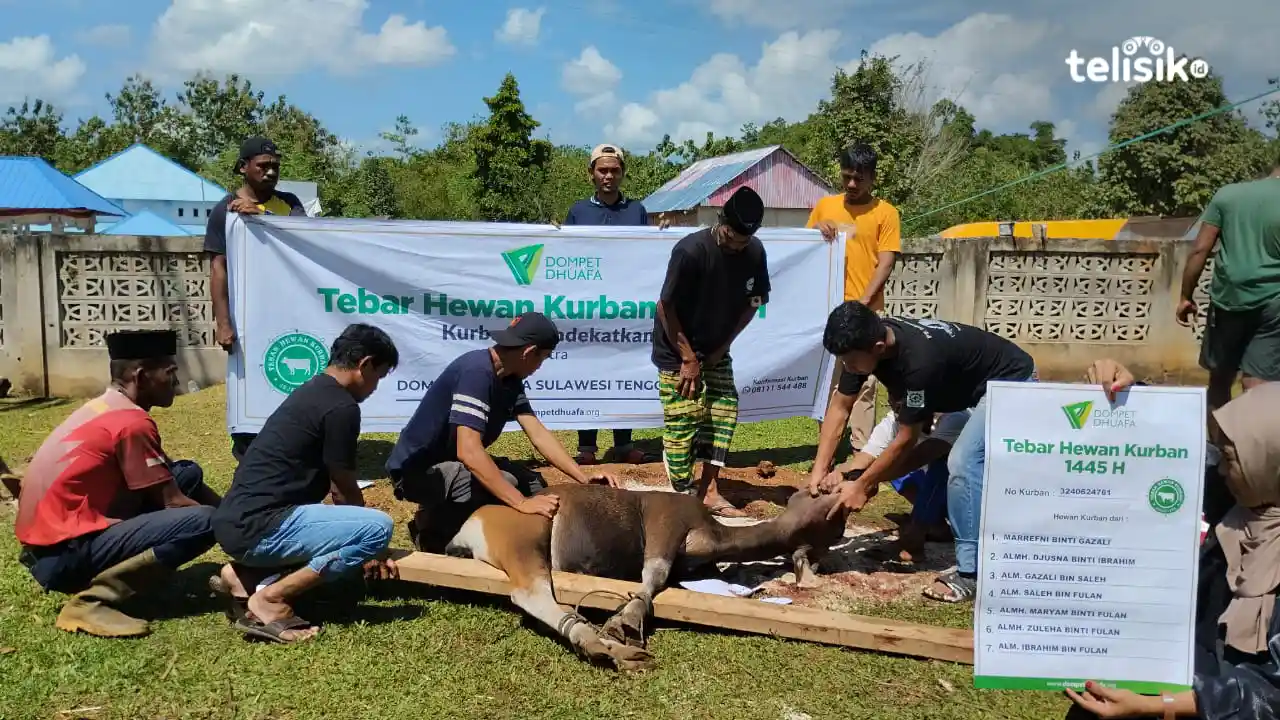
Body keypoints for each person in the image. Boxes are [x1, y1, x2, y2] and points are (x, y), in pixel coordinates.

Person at [1066, 375, 1280, 720]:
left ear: (1269, 460)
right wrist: (1125, 390)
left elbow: (1271, 694)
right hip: (1159, 672)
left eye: (1231, 458)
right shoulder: (1233, 501)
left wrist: (1158, 705)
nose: (1221, 469)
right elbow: (1174, 445)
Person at [811, 302, 1036, 604]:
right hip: (959, 393)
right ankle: (920, 532)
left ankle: (971, 574)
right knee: (895, 462)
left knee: (963, 461)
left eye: (850, 363)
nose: (847, 368)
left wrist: (864, 484)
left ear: (878, 347)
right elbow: (840, 409)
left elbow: (907, 445)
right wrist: (822, 471)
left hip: (1009, 382)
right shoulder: (863, 349)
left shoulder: (919, 365)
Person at [15, 330, 220, 638]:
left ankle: (139, 575)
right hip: (65, 555)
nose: (175, 381)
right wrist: (240, 526)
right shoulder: (131, 422)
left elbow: (168, 480)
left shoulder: (106, 407)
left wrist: (238, 512)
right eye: (170, 372)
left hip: (55, 545)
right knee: (206, 522)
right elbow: (173, 502)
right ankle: (92, 601)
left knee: (186, 473)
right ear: (141, 375)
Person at [211, 323, 400, 644]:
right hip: (261, 528)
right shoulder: (341, 407)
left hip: (236, 525)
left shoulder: (312, 390)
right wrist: (372, 546)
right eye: (378, 377)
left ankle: (243, 576)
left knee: (339, 526)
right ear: (364, 364)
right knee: (377, 527)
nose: (374, 388)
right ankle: (272, 599)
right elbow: (342, 487)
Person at [386, 312, 619, 552]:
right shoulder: (476, 373)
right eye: (544, 358)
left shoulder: (508, 377)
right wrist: (520, 503)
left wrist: (582, 478)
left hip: (451, 462)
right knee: (503, 485)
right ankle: (434, 535)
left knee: (533, 484)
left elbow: (537, 433)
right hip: (416, 472)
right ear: (529, 352)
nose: (539, 367)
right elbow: (468, 451)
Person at [653, 185, 770, 518]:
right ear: (721, 221)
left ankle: (709, 491)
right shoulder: (690, 251)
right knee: (683, 423)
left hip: (717, 350)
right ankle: (682, 493)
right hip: (677, 351)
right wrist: (688, 358)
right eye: (731, 238)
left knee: (723, 414)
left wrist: (723, 346)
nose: (735, 247)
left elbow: (754, 302)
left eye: (742, 242)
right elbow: (666, 307)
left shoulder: (754, 252)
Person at [204, 136, 308, 462]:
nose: (271, 172)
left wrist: (260, 214)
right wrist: (223, 322)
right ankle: (248, 450)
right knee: (248, 381)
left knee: (289, 381)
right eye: (263, 166)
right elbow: (217, 267)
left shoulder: (289, 204)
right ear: (243, 168)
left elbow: (305, 239)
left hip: (286, 313)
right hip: (246, 316)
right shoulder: (226, 210)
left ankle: (293, 443)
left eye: (275, 166)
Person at [563, 143, 661, 467]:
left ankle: (624, 444)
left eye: (614, 170)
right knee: (588, 371)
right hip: (589, 307)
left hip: (626, 308)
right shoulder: (578, 212)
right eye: (602, 170)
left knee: (624, 370)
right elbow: (564, 254)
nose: (608, 175)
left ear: (622, 173)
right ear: (591, 173)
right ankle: (587, 446)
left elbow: (648, 254)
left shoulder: (637, 211)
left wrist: (663, 238)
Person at [808, 143, 901, 457]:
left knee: (864, 386)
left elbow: (885, 263)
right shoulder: (825, 206)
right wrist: (816, 231)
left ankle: (862, 451)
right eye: (847, 176)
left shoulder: (885, 213)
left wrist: (862, 304)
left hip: (867, 312)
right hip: (828, 312)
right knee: (828, 385)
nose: (850, 184)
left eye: (858, 179)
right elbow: (805, 250)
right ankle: (827, 449)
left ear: (873, 178)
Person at [1176, 158, 1280, 416]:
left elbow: (1200, 249)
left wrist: (1185, 296)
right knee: (1259, 385)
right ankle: (1251, 455)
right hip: (1274, 303)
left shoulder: (1228, 195)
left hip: (1227, 301)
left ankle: (1216, 451)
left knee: (1220, 381)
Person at [841, 402, 967, 563]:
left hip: (967, 496)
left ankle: (914, 540)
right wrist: (850, 477)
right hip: (939, 489)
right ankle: (935, 524)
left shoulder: (956, 416)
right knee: (885, 463)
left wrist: (865, 483)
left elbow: (919, 457)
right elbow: (868, 454)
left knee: (940, 464)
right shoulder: (895, 417)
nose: (898, 410)